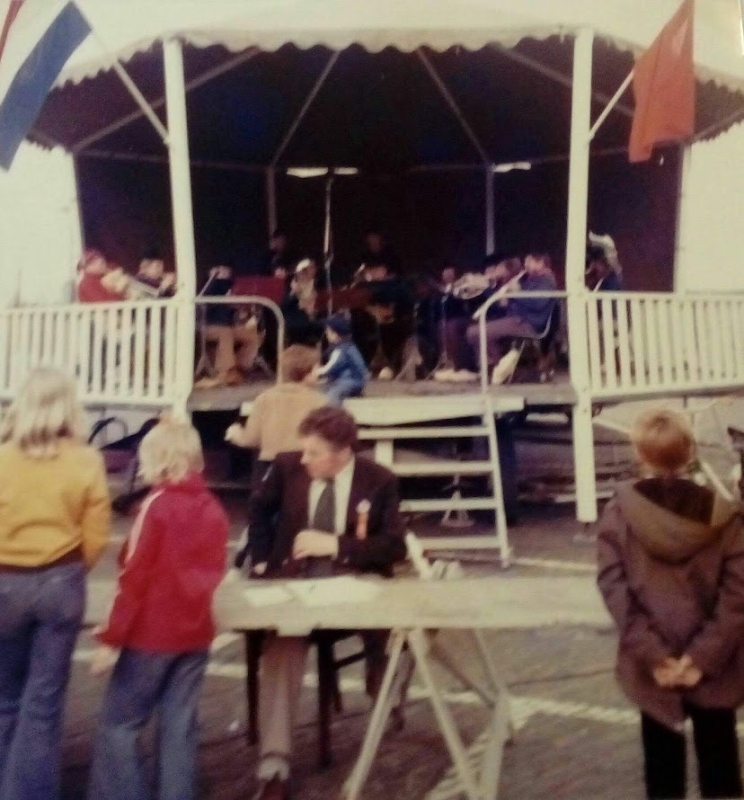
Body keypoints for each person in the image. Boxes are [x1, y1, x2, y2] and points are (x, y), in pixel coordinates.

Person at [247, 406, 406, 800]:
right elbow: (258, 511)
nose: (304, 459)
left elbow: (393, 545)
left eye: (314, 453)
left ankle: (381, 684)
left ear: (342, 452)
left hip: (353, 585)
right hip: (298, 585)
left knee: (397, 628)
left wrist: (337, 545)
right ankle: (274, 765)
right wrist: (264, 559)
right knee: (282, 645)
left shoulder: (379, 481)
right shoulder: (287, 468)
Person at [597, 409, 744, 800]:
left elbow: (615, 588)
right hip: (716, 666)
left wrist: (657, 658)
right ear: (690, 451)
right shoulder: (724, 516)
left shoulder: (619, 513)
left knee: (662, 772)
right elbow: (737, 597)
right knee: (721, 766)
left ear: (639, 453)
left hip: (653, 669)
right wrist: (700, 659)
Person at [87, 419, 229, 800]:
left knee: (120, 726)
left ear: (159, 462)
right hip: (195, 633)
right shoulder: (214, 508)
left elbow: (133, 580)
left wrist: (110, 640)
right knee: (179, 728)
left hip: (150, 636)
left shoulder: (155, 507)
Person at [0, 368, 111, 799]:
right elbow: (97, 533)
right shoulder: (86, 459)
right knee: (43, 704)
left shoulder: (3, 457)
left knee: (5, 697)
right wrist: (70, 571)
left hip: (5, 582)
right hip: (61, 580)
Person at [225, 344, 327, 529]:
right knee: (300, 518)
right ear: (307, 373)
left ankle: (260, 557)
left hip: (269, 466)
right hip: (302, 466)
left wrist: (235, 433)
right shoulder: (319, 401)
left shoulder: (265, 398)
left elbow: (251, 439)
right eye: (316, 369)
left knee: (261, 517)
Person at [465, 251, 556, 385]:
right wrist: (492, 292)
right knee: (474, 331)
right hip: (518, 319)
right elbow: (516, 300)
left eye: (529, 262)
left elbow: (538, 303)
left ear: (540, 263)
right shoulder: (532, 279)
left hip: (528, 323)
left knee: (474, 332)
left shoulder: (546, 280)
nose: (525, 265)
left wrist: (516, 292)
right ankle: (498, 369)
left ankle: (496, 369)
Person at [434, 254, 522, 382]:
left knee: (471, 329)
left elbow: (500, 303)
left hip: (499, 319)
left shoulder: (511, 284)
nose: (491, 272)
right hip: (482, 318)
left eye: (496, 268)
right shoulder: (491, 283)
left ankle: (487, 368)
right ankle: (462, 367)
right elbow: (471, 299)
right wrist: (466, 288)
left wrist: (484, 287)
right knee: (451, 325)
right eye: (491, 269)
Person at [196, 266, 263, 388]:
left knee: (252, 335)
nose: (224, 273)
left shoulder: (230, 287)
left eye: (226, 271)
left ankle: (239, 367)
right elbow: (201, 308)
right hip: (206, 326)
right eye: (220, 271)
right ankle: (224, 373)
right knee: (225, 333)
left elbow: (233, 315)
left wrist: (239, 310)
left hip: (227, 326)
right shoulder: (206, 286)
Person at [309, 313, 368, 405]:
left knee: (333, 394)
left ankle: (333, 411)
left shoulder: (341, 350)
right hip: (347, 378)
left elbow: (332, 366)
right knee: (322, 388)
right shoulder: (347, 346)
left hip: (349, 380)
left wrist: (317, 372)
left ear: (335, 334)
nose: (326, 334)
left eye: (328, 332)